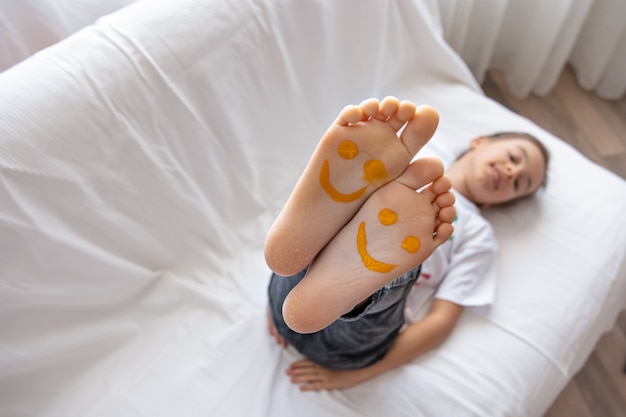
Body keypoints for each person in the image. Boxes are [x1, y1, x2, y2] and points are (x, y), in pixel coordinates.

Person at [264, 97, 549, 391]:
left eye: (519, 184)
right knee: (341, 221)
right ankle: (303, 265)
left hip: (354, 344)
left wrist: (351, 377)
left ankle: (366, 275)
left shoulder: (479, 236)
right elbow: (297, 243)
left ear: (495, 204)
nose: (513, 172)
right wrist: (280, 303)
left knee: (409, 254)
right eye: (515, 158)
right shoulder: (398, 161)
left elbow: (441, 322)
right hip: (292, 302)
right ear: (480, 142)